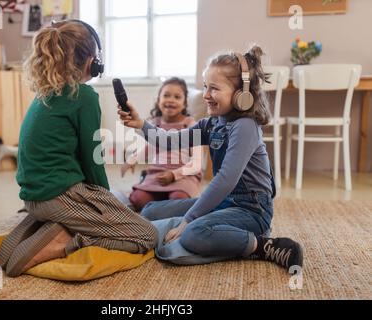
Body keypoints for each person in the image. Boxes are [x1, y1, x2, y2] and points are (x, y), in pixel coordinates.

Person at [118, 45, 303, 270]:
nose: (205, 94)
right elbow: (169, 140)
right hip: (225, 203)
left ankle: (262, 244)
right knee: (149, 212)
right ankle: (221, 230)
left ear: (241, 94)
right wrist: (141, 124)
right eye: (205, 86)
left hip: (252, 210)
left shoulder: (245, 126)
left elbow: (226, 179)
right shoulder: (212, 123)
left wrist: (188, 220)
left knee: (194, 233)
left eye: (213, 88)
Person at [0, 20, 157, 277]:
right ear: (93, 61)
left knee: (118, 212)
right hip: (58, 196)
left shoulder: (44, 93)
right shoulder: (84, 96)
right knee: (147, 235)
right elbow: (93, 160)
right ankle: (68, 239)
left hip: (33, 197)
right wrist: (107, 204)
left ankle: (36, 231)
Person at [121, 77, 202, 212]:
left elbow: (196, 165)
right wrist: (132, 159)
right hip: (157, 174)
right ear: (158, 100)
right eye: (166, 95)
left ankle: (162, 206)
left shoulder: (191, 125)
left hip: (184, 175)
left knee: (178, 199)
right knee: (137, 199)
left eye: (177, 97)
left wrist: (173, 175)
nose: (171, 99)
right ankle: (160, 204)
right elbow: (149, 147)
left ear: (184, 103)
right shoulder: (155, 123)